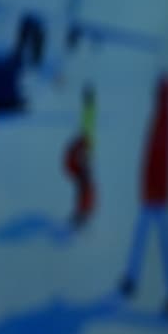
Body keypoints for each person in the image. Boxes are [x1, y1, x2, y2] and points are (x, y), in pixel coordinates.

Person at [118, 71, 168, 316]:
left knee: (163, 246)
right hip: (153, 193)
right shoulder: (161, 116)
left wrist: (155, 189)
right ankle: (132, 279)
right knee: (143, 239)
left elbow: (160, 160)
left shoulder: (164, 119)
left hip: (156, 194)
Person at [63, 83, 96, 229]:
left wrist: (83, 150)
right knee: (82, 186)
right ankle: (82, 212)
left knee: (84, 186)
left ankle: (83, 214)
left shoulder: (88, 114)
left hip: (85, 152)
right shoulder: (87, 113)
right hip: (85, 151)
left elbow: (87, 130)